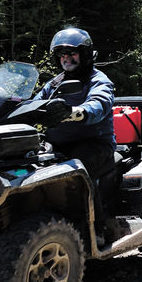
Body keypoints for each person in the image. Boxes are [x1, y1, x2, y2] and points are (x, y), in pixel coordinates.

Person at [35, 27, 116, 181]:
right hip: (57, 143)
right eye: (61, 53)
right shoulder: (55, 83)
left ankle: (93, 205)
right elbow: (35, 103)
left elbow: (99, 104)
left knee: (74, 176)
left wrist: (75, 112)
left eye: (72, 52)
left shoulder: (99, 80)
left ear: (85, 54)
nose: (66, 57)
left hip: (94, 143)